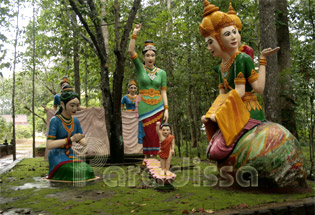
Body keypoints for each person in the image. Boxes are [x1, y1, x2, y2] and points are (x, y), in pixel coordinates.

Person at [199, 0, 279, 159]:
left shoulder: (242, 59)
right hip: (230, 112)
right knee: (211, 146)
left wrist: (262, 60)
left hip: (247, 112)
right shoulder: (222, 66)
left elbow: (248, 90)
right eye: (227, 34)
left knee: (216, 151)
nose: (234, 37)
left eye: (234, 32)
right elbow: (222, 95)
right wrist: (211, 113)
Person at [128, 24, 169, 159]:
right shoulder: (140, 69)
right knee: (146, 131)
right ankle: (146, 157)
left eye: (152, 55)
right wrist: (135, 33)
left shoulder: (162, 73)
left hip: (158, 105)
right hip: (144, 105)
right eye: (147, 55)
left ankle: (157, 155)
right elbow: (131, 52)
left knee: (157, 130)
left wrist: (166, 108)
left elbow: (163, 92)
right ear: (144, 57)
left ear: (155, 56)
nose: (150, 58)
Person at [46, 86, 96, 182]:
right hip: (57, 155)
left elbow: (82, 140)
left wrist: (82, 140)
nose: (75, 108)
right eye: (72, 105)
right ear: (62, 104)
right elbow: (49, 145)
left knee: (88, 170)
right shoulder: (55, 120)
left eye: (76, 106)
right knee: (75, 172)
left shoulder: (75, 121)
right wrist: (71, 139)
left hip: (70, 154)